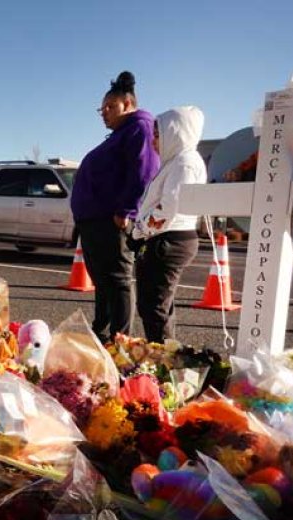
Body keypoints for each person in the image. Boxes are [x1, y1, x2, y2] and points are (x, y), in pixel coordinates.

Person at [70, 71, 160, 343]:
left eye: (111, 107)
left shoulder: (139, 128)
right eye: (102, 108)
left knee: (117, 280)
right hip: (94, 220)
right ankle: (102, 330)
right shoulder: (119, 134)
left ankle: (119, 339)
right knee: (103, 281)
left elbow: (144, 171)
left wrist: (126, 211)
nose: (104, 112)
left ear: (128, 104)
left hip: (111, 220)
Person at [131, 107, 206, 342]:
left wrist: (138, 231)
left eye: (157, 134)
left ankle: (163, 360)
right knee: (157, 304)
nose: (153, 141)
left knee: (155, 307)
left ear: (176, 133)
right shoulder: (178, 161)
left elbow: (167, 209)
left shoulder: (184, 163)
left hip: (169, 239)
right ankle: (162, 354)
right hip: (167, 237)